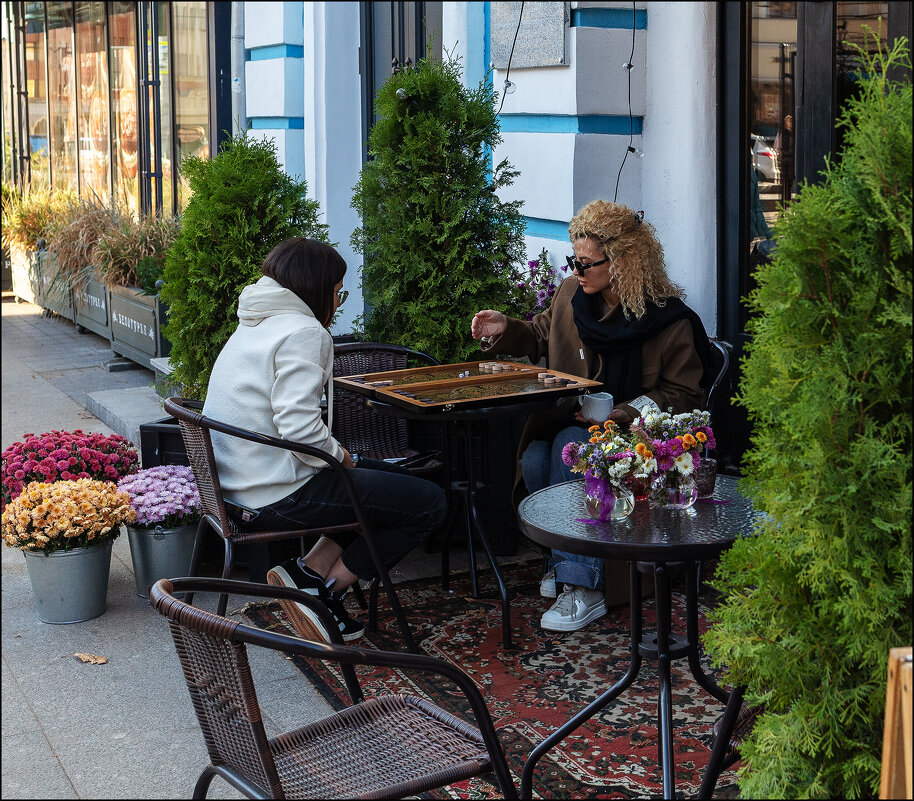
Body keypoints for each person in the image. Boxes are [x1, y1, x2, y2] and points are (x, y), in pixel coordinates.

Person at [471, 201, 715, 632]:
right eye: (575, 261)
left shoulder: (667, 320)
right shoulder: (571, 295)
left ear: (621, 261)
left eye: (586, 263)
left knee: (573, 451)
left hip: (637, 439)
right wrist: (504, 328)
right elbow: (541, 333)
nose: (577, 271)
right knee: (535, 455)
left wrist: (621, 413)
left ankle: (586, 587)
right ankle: (565, 563)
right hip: (573, 420)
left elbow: (682, 392)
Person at [202, 237, 447, 642]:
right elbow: (299, 427)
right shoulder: (303, 331)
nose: (338, 303)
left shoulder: (255, 322)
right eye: (337, 292)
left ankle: (307, 573)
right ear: (317, 289)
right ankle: (324, 592)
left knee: (376, 484)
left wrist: (343, 460)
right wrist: (341, 457)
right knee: (428, 503)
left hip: (235, 489)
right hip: (276, 493)